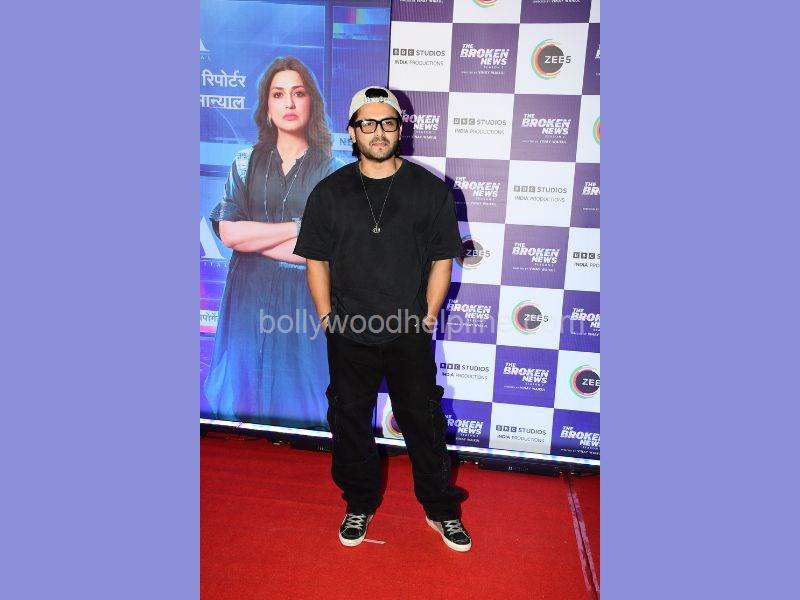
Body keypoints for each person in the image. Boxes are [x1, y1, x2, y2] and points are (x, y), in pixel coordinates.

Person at [294, 86, 472, 552]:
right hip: (349, 331)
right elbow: (316, 260)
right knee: (349, 420)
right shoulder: (329, 193)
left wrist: (426, 318)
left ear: (399, 129)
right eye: (368, 124)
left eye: (387, 123)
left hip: (408, 332)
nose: (378, 132)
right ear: (352, 132)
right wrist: (328, 318)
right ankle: (358, 502)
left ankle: (441, 509)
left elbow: (442, 261)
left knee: (424, 422)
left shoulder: (429, 191)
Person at [204, 56, 342, 428]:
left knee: (304, 406)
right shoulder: (245, 162)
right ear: (267, 105)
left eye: (298, 93)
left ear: (312, 102)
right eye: (278, 94)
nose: (289, 103)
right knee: (244, 398)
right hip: (247, 296)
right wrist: (298, 226)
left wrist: (253, 239)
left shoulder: (332, 171)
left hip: (303, 300)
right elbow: (229, 233)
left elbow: (327, 250)